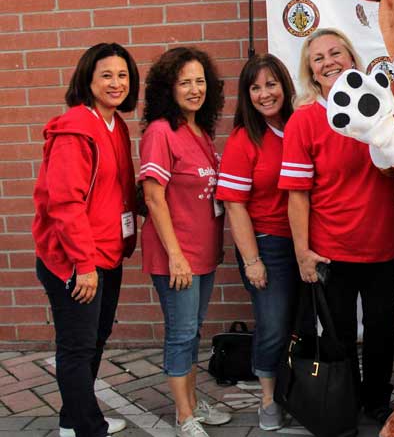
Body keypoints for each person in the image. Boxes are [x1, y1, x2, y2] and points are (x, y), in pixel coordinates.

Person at [278, 28, 394, 428]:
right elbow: (297, 195)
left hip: (383, 243)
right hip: (332, 249)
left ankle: (378, 402)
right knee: (341, 336)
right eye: (319, 58)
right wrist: (303, 253)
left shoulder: (385, 106)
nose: (329, 61)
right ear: (311, 72)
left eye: (336, 53)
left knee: (383, 331)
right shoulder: (304, 122)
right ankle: (342, 403)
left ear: (352, 59)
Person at [33, 43, 140, 437]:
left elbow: (118, 189)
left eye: (123, 75)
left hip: (107, 254)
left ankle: (72, 419)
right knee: (77, 348)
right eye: (107, 75)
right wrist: (83, 265)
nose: (117, 83)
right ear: (88, 80)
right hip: (75, 261)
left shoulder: (115, 124)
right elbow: (64, 203)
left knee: (94, 340)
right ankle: (86, 428)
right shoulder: (75, 128)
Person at [139, 47, 230, 437]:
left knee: (193, 331)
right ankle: (183, 415)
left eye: (200, 81)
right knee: (180, 332)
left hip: (203, 252)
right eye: (184, 82)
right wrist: (176, 256)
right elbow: (153, 197)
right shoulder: (161, 131)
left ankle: (193, 403)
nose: (195, 89)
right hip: (177, 256)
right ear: (167, 88)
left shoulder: (200, 131)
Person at [215, 54, 297, 431]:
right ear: (246, 95)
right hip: (267, 245)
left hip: (307, 244)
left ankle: (298, 392)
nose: (265, 94)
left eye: (271, 83)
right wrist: (252, 261)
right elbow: (234, 205)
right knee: (274, 326)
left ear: (285, 84)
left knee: (302, 325)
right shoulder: (243, 139)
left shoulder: (300, 125)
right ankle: (268, 400)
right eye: (255, 87)